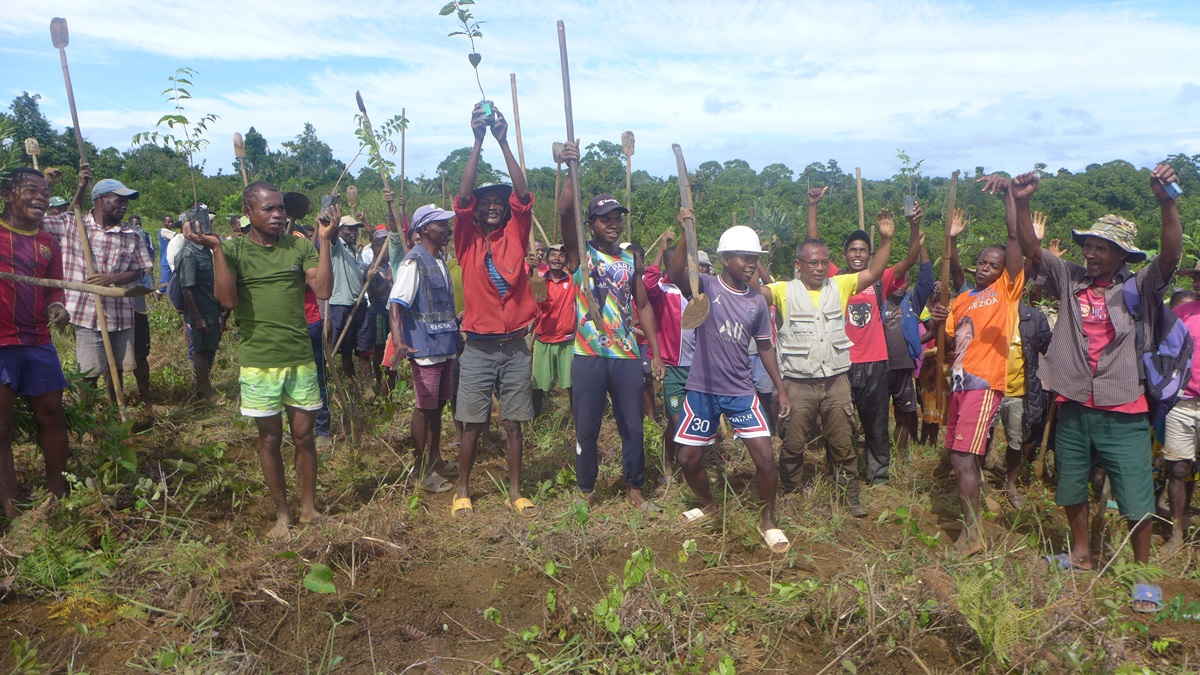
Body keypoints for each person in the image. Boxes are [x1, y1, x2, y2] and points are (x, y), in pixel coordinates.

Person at [1015, 166, 1181, 611]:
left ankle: (1143, 575)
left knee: (1135, 493)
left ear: (1121, 254)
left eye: (1099, 247)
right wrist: (1021, 199)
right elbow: (1031, 248)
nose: (1089, 252)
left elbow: (1169, 256)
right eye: (1087, 244)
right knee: (1070, 485)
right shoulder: (1069, 278)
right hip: (1072, 399)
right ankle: (1083, 554)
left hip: (1123, 404)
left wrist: (1167, 201)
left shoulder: (1138, 287)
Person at [184, 181, 335, 540]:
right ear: (248, 213)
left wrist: (325, 241)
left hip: (299, 358)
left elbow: (325, 290)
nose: (278, 214)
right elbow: (227, 300)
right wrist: (217, 250)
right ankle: (283, 515)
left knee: (305, 438)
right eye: (268, 209)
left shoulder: (299, 245)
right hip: (259, 361)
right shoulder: (234, 250)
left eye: (280, 208)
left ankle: (309, 509)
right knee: (269, 440)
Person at [758, 207, 896, 518]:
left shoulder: (841, 285)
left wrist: (887, 239)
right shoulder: (783, 290)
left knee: (843, 442)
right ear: (798, 265)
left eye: (824, 262)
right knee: (793, 443)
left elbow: (875, 273)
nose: (820, 268)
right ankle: (791, 492)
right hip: (797, 384)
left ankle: (850, 495)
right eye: (812, 263)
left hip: (836, 382)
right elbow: (752, 293)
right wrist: (750, 255)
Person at [670, 222, 793, 551]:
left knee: (766, 458)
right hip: (702, 391)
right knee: (688, 458)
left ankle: (767, 519)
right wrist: (686, 232)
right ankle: (709, 505)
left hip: (741, 391)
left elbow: (765, 347)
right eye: (744, 257)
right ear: (725, 258)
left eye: (754, 258)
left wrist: (780, 390)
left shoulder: (756, 301)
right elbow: (675, 271)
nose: (751, 263)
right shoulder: (705, 287)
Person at [559, 141, 664, 511]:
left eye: (617, 218)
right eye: (605, 219)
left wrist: (655, 352)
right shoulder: (580, 255)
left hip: (625, 355)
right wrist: (571, 169)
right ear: (591, 224)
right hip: (588, 355)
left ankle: (635, 489)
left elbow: (644, 305)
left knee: (633, 427)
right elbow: (565, 210)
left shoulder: (631, 259)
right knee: (585, 428)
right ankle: (586, 491)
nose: (613, 225)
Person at [928, 178, 1025, 557]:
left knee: (964, 456)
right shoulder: (964, 299)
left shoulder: (1006, 292)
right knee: (958, 455)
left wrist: (1009, 197)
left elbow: (1015, 238)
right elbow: (949, 341)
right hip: (960, 384)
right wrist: (939, 317)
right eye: (982, 262)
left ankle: (973, 535)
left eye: (994, 264)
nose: (985, 268)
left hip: (985, 384)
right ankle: (971, 525)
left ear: (1004, 270)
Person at [451, 103, 537, 517]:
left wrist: (503, 141)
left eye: (496, 202)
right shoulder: (467, 240)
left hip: (517, 345)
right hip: (479, 348)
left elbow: (523, 195)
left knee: (513, 422)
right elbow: (463, 198)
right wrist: (478, 140)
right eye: (486, 202)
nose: (491, 206)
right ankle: (462, 490)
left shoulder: (515, 234)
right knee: (471, 422)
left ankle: (516, 490)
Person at [807, 186, 923, 485]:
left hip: (875, 362)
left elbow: (910, 259)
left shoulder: (879, 278)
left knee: (876, 422)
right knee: (839, 423)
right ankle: (841, 474)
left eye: (863, 250)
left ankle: (879, 474)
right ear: (844, 255)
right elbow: (812, 244)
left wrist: (912, 227)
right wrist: (813, 207)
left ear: (870, 254)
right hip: (842, 364)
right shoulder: (834, 278)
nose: (857, 254)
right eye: (852, 250)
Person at [0, 167, 80, 519]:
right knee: (1, 426)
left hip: (37, 340)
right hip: (1, 343)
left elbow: (53, 289)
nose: (41, 198)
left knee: (53, 416)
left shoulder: (49, 243)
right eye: (32, 190)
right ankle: (10, 504)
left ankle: (57, 494)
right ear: (7, 195)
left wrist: (58, 307)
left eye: (45, 194)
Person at [42, 178, 152, 404]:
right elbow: (38, 220)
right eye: (118, 200)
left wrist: (111, 279)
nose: (124, 206)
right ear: (101, 199)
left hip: (120, 313)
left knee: (117, 371)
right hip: (86, 314)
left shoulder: (131, 234)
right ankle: (87, 417)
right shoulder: (74, 225)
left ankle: (115, 413)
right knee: (89, 372)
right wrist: (63, 185)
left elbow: (137, 271)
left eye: (126, 202)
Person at [390, 205, 461, 493]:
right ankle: (420, 471)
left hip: (444, 345)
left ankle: (436, 459)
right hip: (424, 348)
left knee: (438, 407)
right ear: (423, 230)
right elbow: (396, 303)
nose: (447, 228)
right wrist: (399, 342)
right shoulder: (414, 262)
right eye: (440, 224)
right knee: (424, 408)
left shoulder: (439, 259)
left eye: (447, 223)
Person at [644, 232, 696, 482]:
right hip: (674, 368)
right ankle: (669, 468)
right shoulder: (662, 289)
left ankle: (687, 467)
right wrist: (660, 250)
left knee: (691, 421)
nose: (686, 268)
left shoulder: (697, 290)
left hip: (696, 368)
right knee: (678, 421)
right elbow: (647, 285)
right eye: (681, 263)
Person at [882, 231, 934, 452]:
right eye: (897, 280)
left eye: (905, 281)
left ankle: (901, 454)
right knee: (878, 415)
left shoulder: (912, 301)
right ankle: (880, 451)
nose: (901, 285)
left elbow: (927, 280)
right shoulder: (879, 300)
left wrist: (921, 248)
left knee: (904, 413)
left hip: (904, 368)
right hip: (880, 367)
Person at [1160, 265, 1200, 555]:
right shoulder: (1183, 314)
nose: (1196, 283)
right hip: (1183, 402)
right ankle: (1177, 530)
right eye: (1195, 278)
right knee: (1178, 467)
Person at [175, 215, 222, 402]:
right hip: (200, 310)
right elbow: (187, 288)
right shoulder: (188, 254)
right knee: (200, 349)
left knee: (210, 347)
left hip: (211, 308)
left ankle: (204, 383)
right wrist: (197, 317)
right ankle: (204, 389)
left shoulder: (204, 251)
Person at [532, 243, 576, 416]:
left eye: (561, 255)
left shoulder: (572, 280)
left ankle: (576, 418)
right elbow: (533, 303)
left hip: (566, 339)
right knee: (538, 383)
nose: (557, 258)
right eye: (553, 255)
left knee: (572, 382)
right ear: (548, 259)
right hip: (544, 338)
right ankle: (536, 418)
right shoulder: (539, 280)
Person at [328, 215, 372, 380]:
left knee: (364, 349)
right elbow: (331, 236)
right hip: (341, 304)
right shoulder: (337, 246)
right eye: (349, 229)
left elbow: (360, 276)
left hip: (360, 304)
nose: (354, 233)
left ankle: (368, 387)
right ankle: (351, 384)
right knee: (345, 349)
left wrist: (368, 275)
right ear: (339, 230)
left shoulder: (356, 252)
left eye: (356, 230)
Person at [129, 213, 154, 405]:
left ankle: (145, 397)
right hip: (110, 308)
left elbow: (145, 269)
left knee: (140, 355)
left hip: (136, 307)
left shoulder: (136, 237)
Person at [157, 214, 178, 295]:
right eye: (168, 222)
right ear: (163, 223)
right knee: (164, 284)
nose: (170, 223)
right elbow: (177, 236)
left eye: (172, 222)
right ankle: (155, 300)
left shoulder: (171, 232)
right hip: (166, 261)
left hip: (172, 261)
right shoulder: (163, 231)